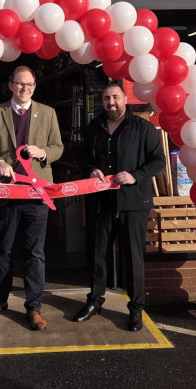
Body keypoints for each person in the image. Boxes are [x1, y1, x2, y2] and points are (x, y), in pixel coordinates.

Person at [73, 81, 165, 332]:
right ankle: (95, 301)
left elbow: (159, 160)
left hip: (132, 202)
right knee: (97, 255)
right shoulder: (94, 128)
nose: (110, 103)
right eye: (106, 99)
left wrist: (136, 175)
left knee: (132, 257)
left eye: (115, 97)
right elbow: (80, 158)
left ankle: (136, 309)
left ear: (125, 99)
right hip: (101, 202)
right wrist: (91, 169)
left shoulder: (143, 128)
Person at [0, 66, 63, 331]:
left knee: (34, 252)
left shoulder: (48, 113)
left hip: (36, 194)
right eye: (19, 84)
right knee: (3, 250)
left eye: (29, 84)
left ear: (34, 86)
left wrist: (43, 152)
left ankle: (34, 306)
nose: (24, 88)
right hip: (5, 192)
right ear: (10, 86)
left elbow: (58, 147)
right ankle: (0, 299)